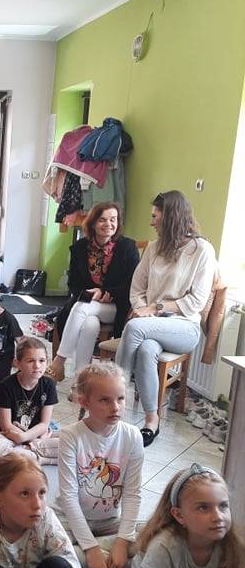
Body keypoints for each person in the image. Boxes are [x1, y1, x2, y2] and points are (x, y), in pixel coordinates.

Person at [115, 191, 216, 446]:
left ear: (170, 217)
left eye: (155, 216)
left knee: (135, 327)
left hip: (184, 327)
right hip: (151, 325)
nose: (151, 222)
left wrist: (154, 308)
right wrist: (143, 309)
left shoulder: (202, 250)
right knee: (147, 349)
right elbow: (136, 289)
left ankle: (114, 399)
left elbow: (196, 302)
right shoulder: (154, 248)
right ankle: (152, 420)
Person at [54, 362, 143, 568]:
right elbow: (69, 496)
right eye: (105, 400)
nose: (115, 407)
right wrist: (90, 547)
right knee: (43, 544)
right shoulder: (70, 436)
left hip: (109, 523)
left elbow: (132, 494)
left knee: (157, 535)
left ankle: (99, 554)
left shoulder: (133, 436)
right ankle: (99, 554)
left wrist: (122, 542)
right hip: (68, 520)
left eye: (120, 399)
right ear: (84, 402)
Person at [48, 202, 140, 382]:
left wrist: (105, 292)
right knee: (90, 324)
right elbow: (73, 283)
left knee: (82, 307)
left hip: (117, 306)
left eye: (113, 219)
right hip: (90, 304)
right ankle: (80, 380)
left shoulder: (128, 247)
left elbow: (133, 284)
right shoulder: (80, 248)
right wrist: (90, 293)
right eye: (102, 220)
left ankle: (59, 361)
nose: (108, 224)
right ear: (93, 223)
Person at [0, 337, 58, 463]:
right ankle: (43, 458)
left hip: (35, 434)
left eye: (42, 360)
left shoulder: (48, 384)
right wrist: (25, 439)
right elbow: (6, 426)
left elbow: (44, 424)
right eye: (30, 361)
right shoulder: (6, 386)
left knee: (72, 442)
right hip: (9, 436)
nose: (37, 366)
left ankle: (31, 452)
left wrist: (25, 438)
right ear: (17, 363)